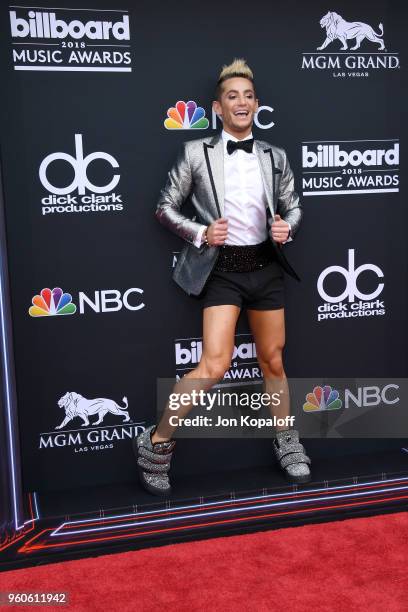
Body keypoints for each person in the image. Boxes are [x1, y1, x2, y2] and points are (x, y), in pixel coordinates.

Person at [134, 58, 312, 496]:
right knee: (215, 363)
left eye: (248, 96)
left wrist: (288, 226)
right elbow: (164, 207)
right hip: (222, 270)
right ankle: (155, 443)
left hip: (266, 268)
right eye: (232, 96)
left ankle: (286, 440)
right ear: (218, 107)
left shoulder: (275, 155)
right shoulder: (196, 153)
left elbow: (295, 206)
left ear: (257, 105)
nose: (242, 102)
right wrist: (200, 231)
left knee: (273, 360)